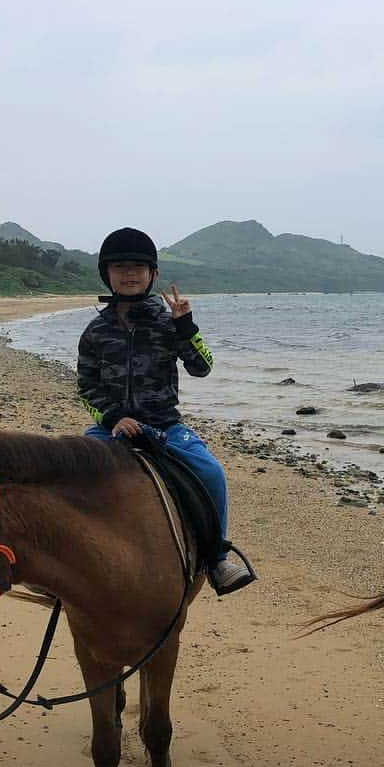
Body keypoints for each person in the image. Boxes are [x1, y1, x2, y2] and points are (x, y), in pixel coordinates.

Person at [77, 227, 253, 595]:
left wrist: (186, 326)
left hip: (165, 426)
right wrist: (112, 419)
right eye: (120, 266)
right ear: (106, 274)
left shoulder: (169, 323)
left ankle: (216, 557)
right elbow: (87, 388)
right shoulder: (95, 332)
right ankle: (68, 558)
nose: (130, 274)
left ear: (153, 274)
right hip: (111, 429)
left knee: (212, 472)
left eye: (139, 267)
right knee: (70, 471)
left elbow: (202, 366)